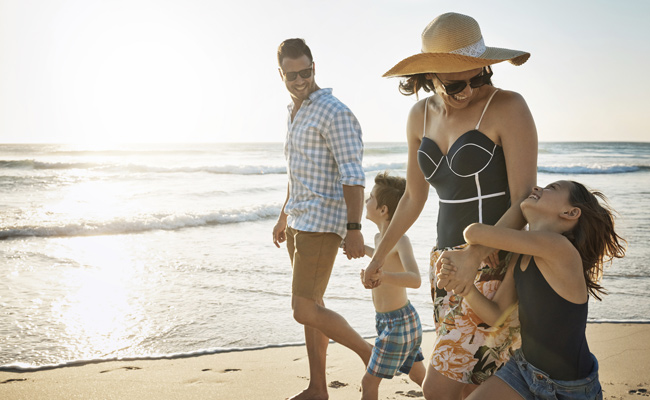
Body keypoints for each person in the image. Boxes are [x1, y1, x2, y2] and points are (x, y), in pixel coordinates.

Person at [363, 12, 538, 399]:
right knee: (465, 387)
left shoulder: (508, 107)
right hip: (444, 266)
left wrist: (476, 253)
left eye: (481, 76)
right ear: (430, 76)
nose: (473, 89)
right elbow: (413, 196)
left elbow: (525, 197)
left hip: (496, 264)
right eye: (459, 82)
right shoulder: (419, 116)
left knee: (437, 388)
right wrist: (380, 254)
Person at [438, 180, 626, 399]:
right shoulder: (521, 255)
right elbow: (496, 314)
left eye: (551, 188)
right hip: (524, 369)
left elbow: (474, 232)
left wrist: (468, 259)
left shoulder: (560, 249)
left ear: (570, 212)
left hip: (569, 387)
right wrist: (465, 286)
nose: (537, 188)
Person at [272, 38, 372, 400]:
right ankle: (318, 388)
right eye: (291, 74)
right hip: (299, 219)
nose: (300, 80)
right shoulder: (294, 111)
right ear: (280, 73)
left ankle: (370, 355)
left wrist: (354, 229)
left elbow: (353, 174)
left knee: (303, 309)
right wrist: (284, 215)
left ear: (314, 67)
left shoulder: (334, 112)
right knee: (313, 306)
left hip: (322, 220)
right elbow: (296, 171)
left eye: (306, 72)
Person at [358, 172, 426, 399]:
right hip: (387, 321)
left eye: (370, 198)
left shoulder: (400, 240)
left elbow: (415, 279)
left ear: (383, 210)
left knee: (369, 382)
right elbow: (380, 256)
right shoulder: (379, 240)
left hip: (399, 324)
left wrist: (383, 276)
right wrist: (359, 249)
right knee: (420, 377)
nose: (366, 201)